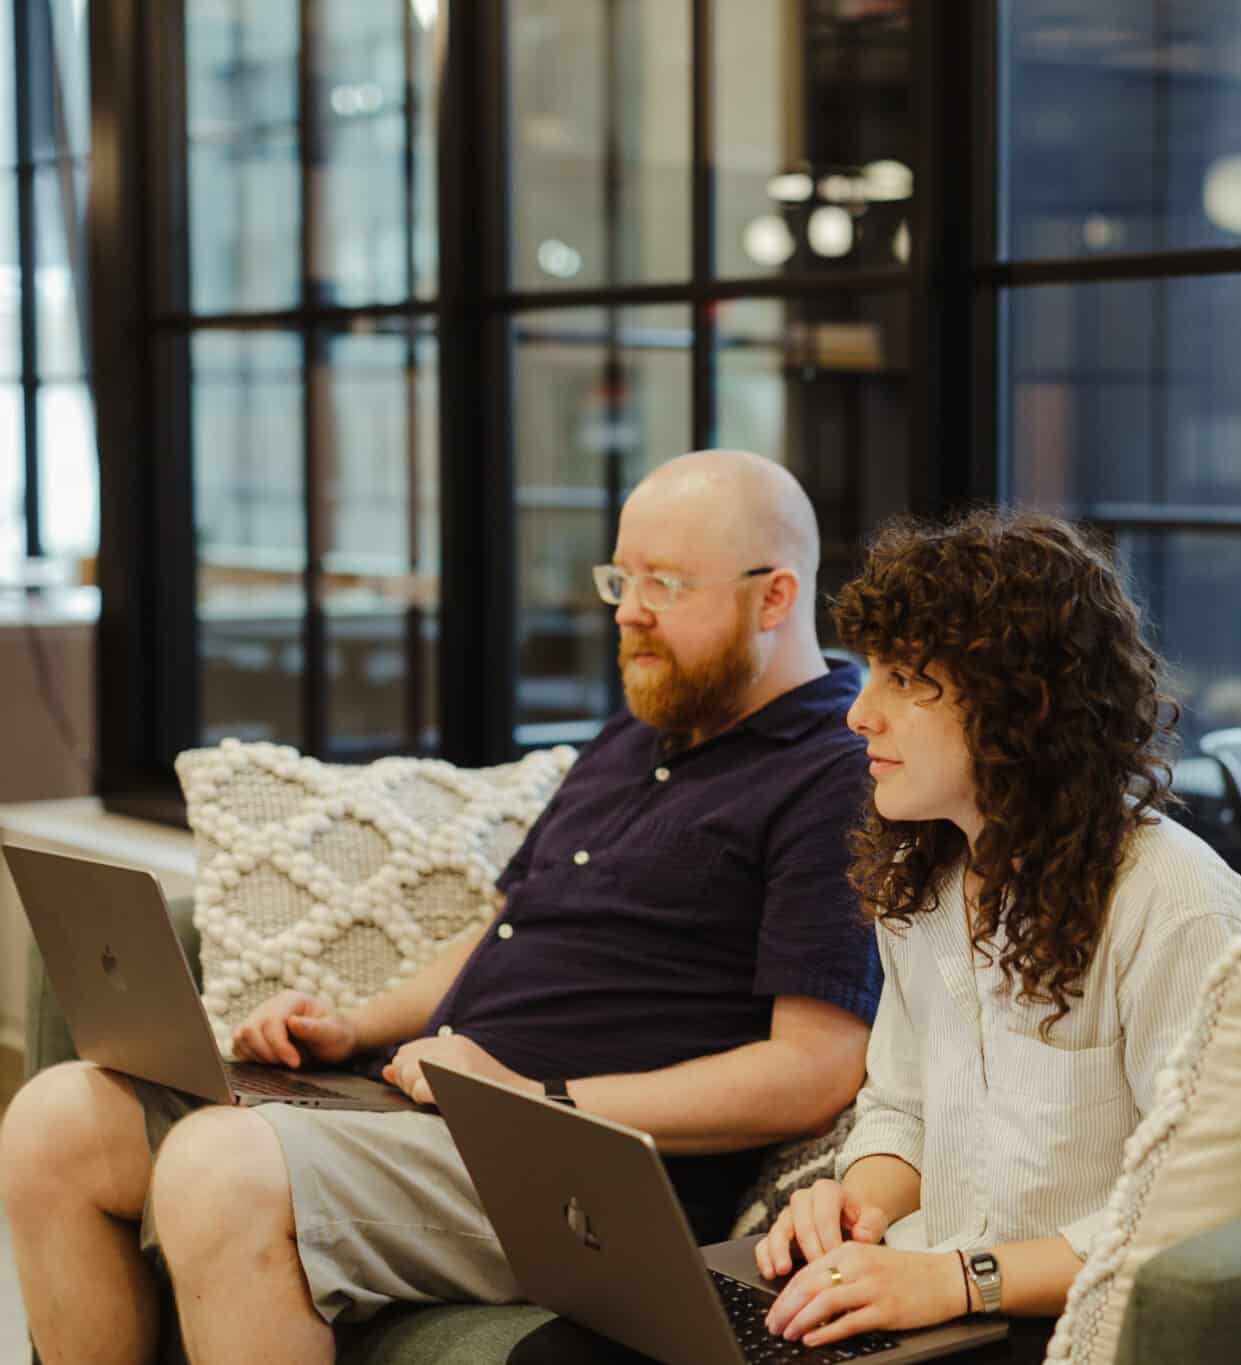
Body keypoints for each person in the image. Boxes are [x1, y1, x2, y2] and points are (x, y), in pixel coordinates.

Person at [0, 450, 883, 1365]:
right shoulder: (641, 731)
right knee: (56, 1118)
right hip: (434, 1115)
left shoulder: (833, 770)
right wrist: (350, 1026)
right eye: (621, 576)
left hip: (581, 1172)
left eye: (664, 582)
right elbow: (504, 926)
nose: (627, 610)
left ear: (774, 598)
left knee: (218, 1168)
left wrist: (535, 1096)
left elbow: (813, 1069)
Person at [752, 510, 1241, 1350]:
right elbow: (901, 1107)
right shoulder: (925, 878)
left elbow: (1204, 1214)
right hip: (945, 1300)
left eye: (902, 679)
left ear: (1018, 704)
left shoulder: (1182, 911)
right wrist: (856, 1203)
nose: (859, 715)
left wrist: (958, 1281)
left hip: (1077, 1330)